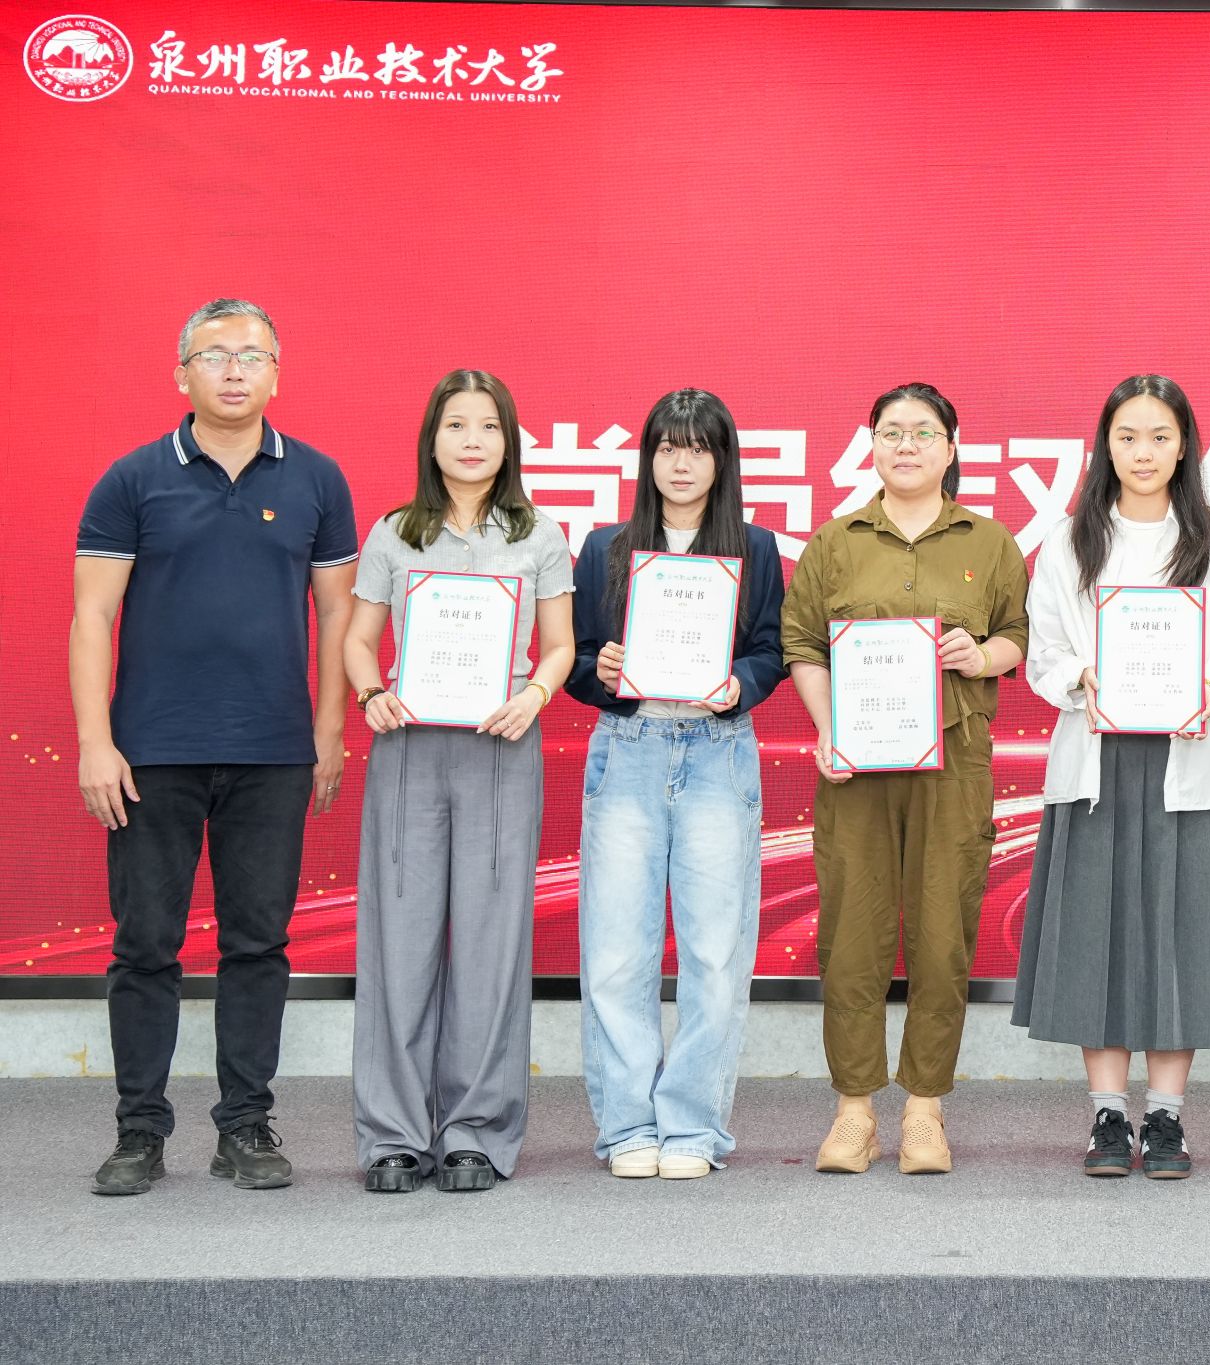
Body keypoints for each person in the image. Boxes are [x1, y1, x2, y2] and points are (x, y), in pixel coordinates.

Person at [74, 299, 358, 1196]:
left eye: (252, 355)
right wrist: (95, 741)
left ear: (277, 373)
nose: (235, 369)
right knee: (145, 945)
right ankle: (139, 1129)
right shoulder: (132, 478)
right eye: (215, 354)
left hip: (273, 752)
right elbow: (91, 617)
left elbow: (339, 617)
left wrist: (327, 732)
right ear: (181, 373)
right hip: (151, 752)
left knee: (258, 943)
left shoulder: (317, 479)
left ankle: (246, 1124)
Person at [1013, 375, 1210, 1180]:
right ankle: (1106, 1115)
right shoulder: (1070, 539)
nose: (1144, 452)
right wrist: (1081, 678)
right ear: (1106, 445)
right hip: (1098, 760)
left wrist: (1209, 691)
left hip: (1189, 760)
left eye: (1160, 436)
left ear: (1184, 445)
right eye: (1128, 436)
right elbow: (1045, 649)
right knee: (1100, 934)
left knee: (1179, 935)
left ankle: (1165, 1116)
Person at [782, 382, 1029, 1175]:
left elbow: (1018, 636)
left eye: (924, 432)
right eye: (892, 431)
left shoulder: (990, 541)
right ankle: (854, 1110)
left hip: (953, 763)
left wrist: (979, 655)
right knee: (851, 934)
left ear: (951, 448)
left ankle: (924, 1108)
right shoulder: (836, 542)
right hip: (856, 766)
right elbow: (803, 644)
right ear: (872, 445)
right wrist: (827, 728)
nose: (908, 445)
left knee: (942, 931)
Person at [342, 369, 573, 1194]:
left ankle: (476, 1129)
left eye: (489, 426)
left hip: (501, 747)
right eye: (456, 425)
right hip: (409, 748)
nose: (472, 440)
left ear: (509, 441)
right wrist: (370, 691)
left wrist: (534, 695)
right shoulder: (393, 532)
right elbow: (359, 639)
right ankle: (394, 1134)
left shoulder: (540, 534)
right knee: (398, 943)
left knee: (491, 942)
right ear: (431, 438)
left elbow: (560, 645)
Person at [566, 389, 788, 1180]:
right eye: (667, 447)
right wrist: (603, 670)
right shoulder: (606, 547)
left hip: (717, 752)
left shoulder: (756, 549)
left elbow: (771, 650)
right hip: (628, 749)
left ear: (722, 460)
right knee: (616, 952)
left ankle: (693, 1126)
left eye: (698, 448)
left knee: (715, 954)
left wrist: (738, 685)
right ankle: (628, 1123)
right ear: (648, 458)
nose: (682, 463)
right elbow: (574, 660)